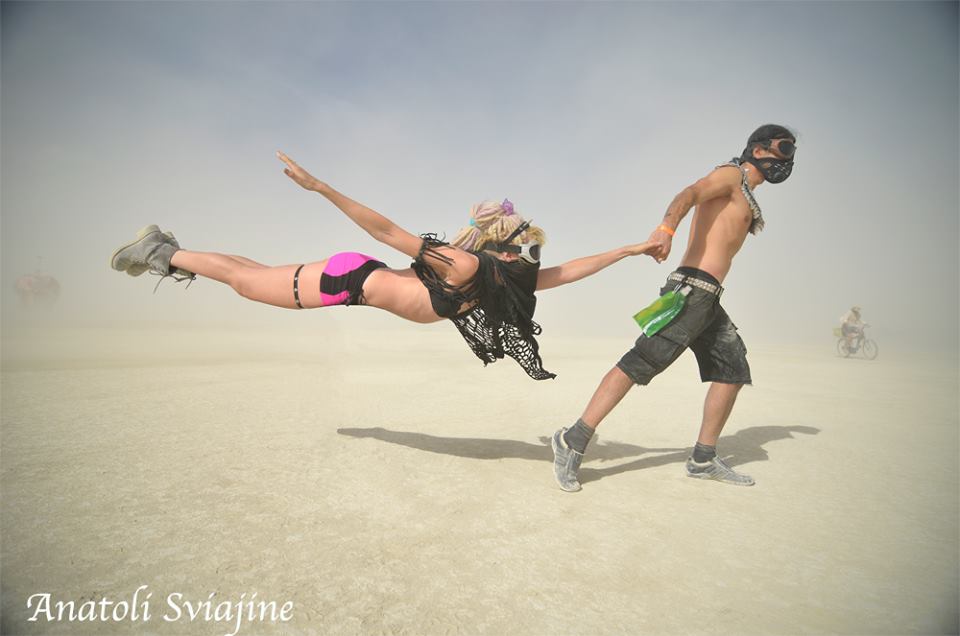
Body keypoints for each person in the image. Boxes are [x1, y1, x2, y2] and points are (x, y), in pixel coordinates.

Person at [110, 152, 660, 380]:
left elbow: (571, 271)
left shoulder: (501, 281)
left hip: (352, 279)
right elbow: (386, 231)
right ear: (501, 244)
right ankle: (160, 252)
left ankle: (168, 250)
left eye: (531, 251)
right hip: (349, 279)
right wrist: (320, 187)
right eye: (524, 247)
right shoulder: (465, 265)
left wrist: (627, 251)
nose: (530, 258)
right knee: (247, 283)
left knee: (250, 272)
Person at [550, 124, 797, 491]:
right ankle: (573, 439)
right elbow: (690, 193)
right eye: (783, 148)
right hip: (689, 292)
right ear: (759, 150)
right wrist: (666, 229)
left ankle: (703, 458)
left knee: (732, 370)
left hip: (709, 298)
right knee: (640, 363)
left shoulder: (746, 194)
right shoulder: (730, 175)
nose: (786, 159)